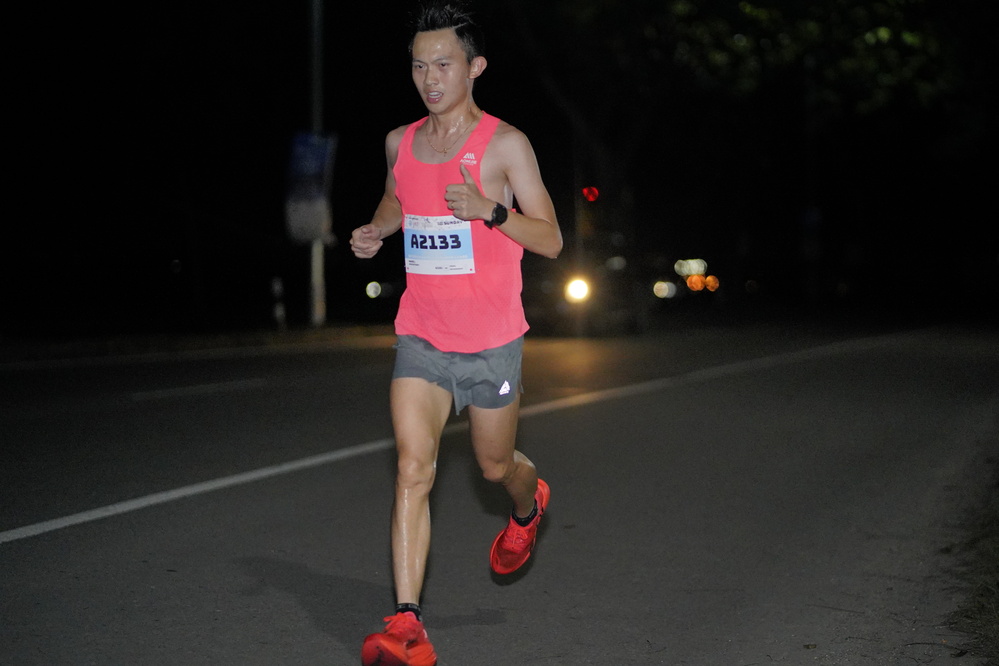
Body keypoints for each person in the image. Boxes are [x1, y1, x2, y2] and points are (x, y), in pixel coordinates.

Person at [350, 2, 562, 664]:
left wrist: (491, 211)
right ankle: (406, 622)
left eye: (443, 64)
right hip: (421, 334)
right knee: (413, 468)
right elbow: (397, 197)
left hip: (492, 340)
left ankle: (528, 506)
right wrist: (378, 228)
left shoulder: (506, 145)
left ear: (475, 67)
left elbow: (551, 239)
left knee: (496, 466)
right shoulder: (400, 141)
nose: (429, 78)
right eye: (419, 66)